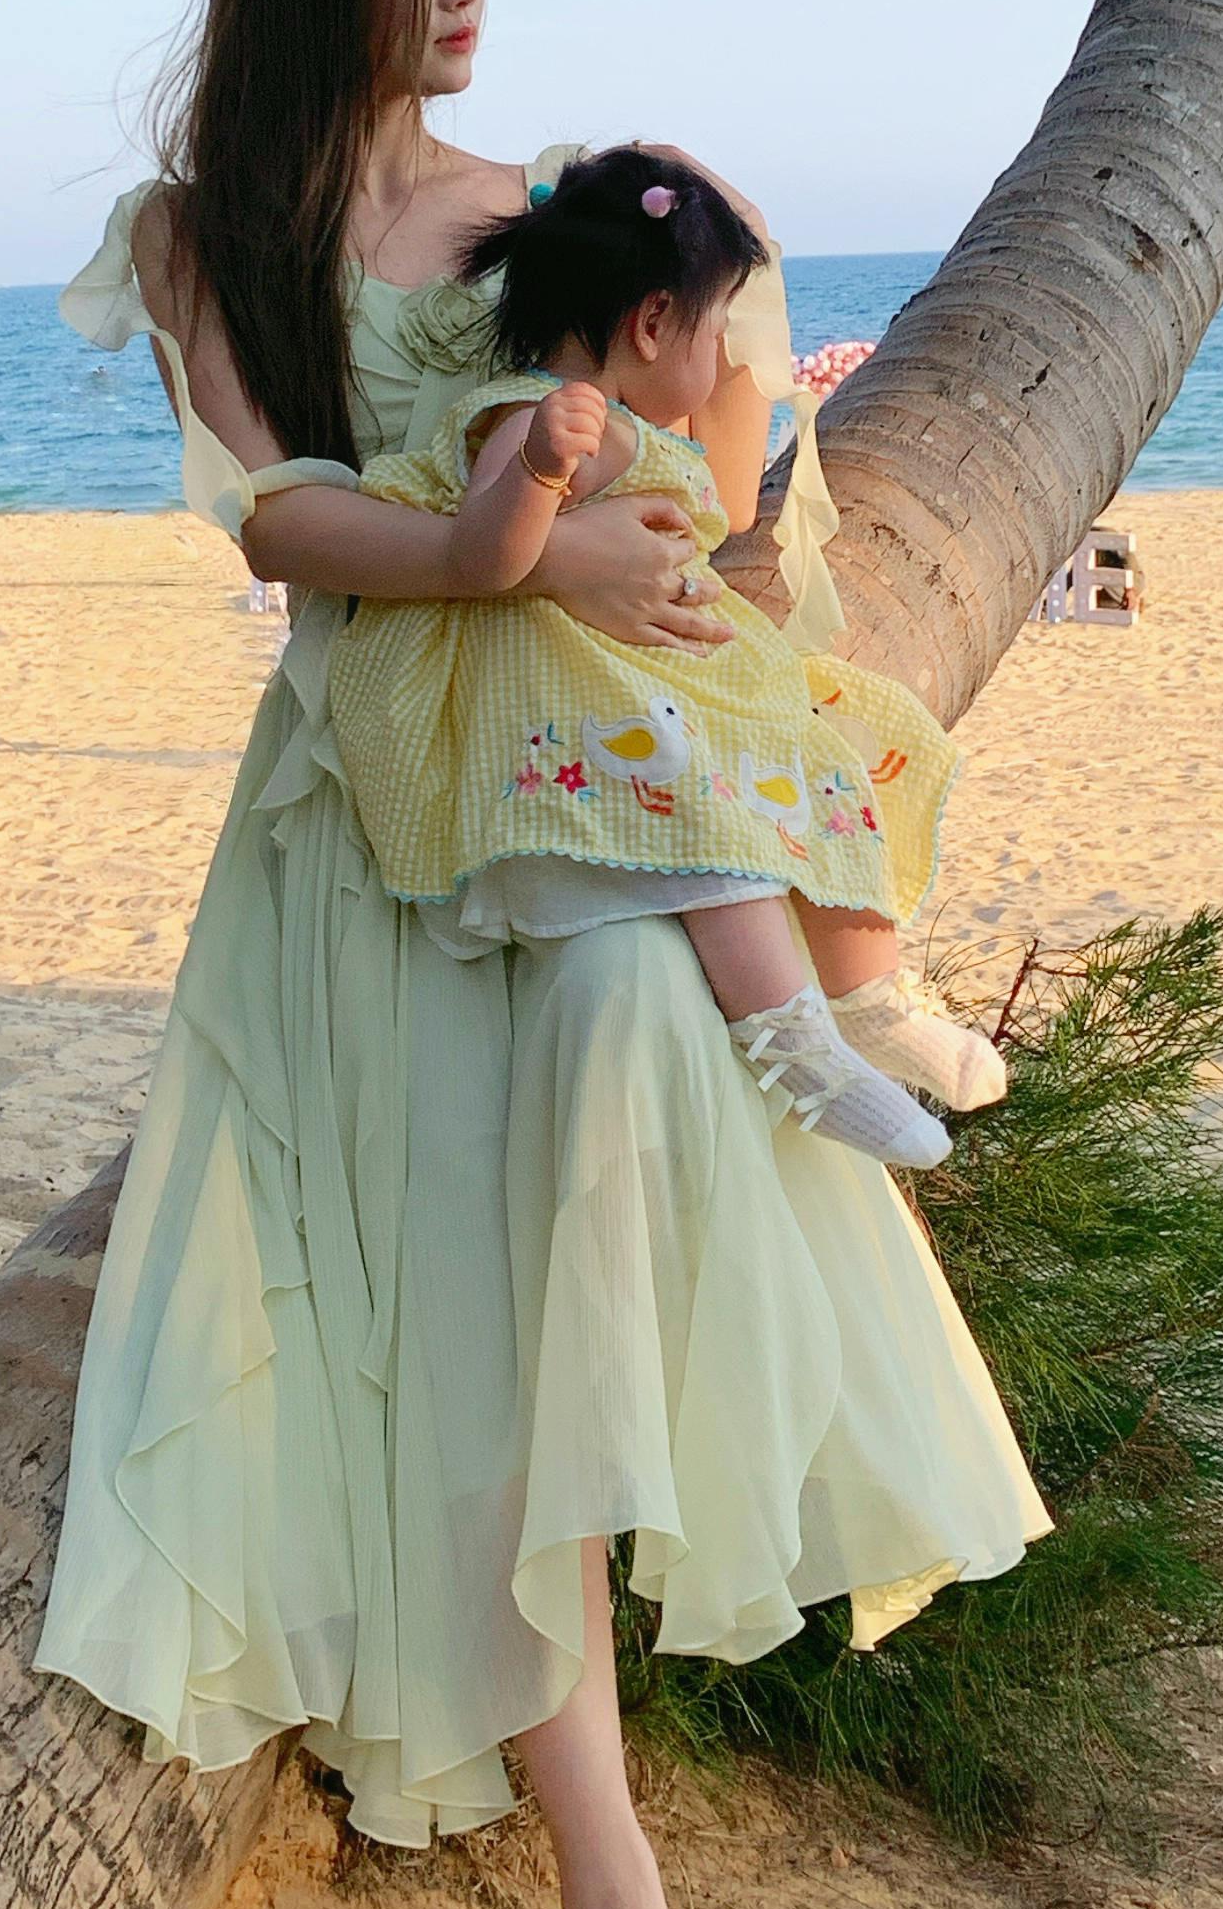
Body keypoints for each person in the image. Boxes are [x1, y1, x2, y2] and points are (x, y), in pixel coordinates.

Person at [34, 0, 1047, 1909]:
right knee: (462, 1371)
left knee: (590, 1291)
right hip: (366, 830)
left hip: (591, 808)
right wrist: (523, 559)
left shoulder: (547, 213)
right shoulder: (201, 233)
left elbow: (717, 447)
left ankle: (811, 1024)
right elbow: (280, 519)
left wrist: (676, 457)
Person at [327, 141, 1009, 1166]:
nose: (720, 351)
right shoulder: (546, 422)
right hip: (598, 688)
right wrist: (539, 472)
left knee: (830, 759)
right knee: (715, 829)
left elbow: (720, 512)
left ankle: (870, 1000)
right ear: (652, 323)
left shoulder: (628, 424)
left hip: (680, 669)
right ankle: (796, 1047)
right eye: (714, 326)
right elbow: (482, 558)